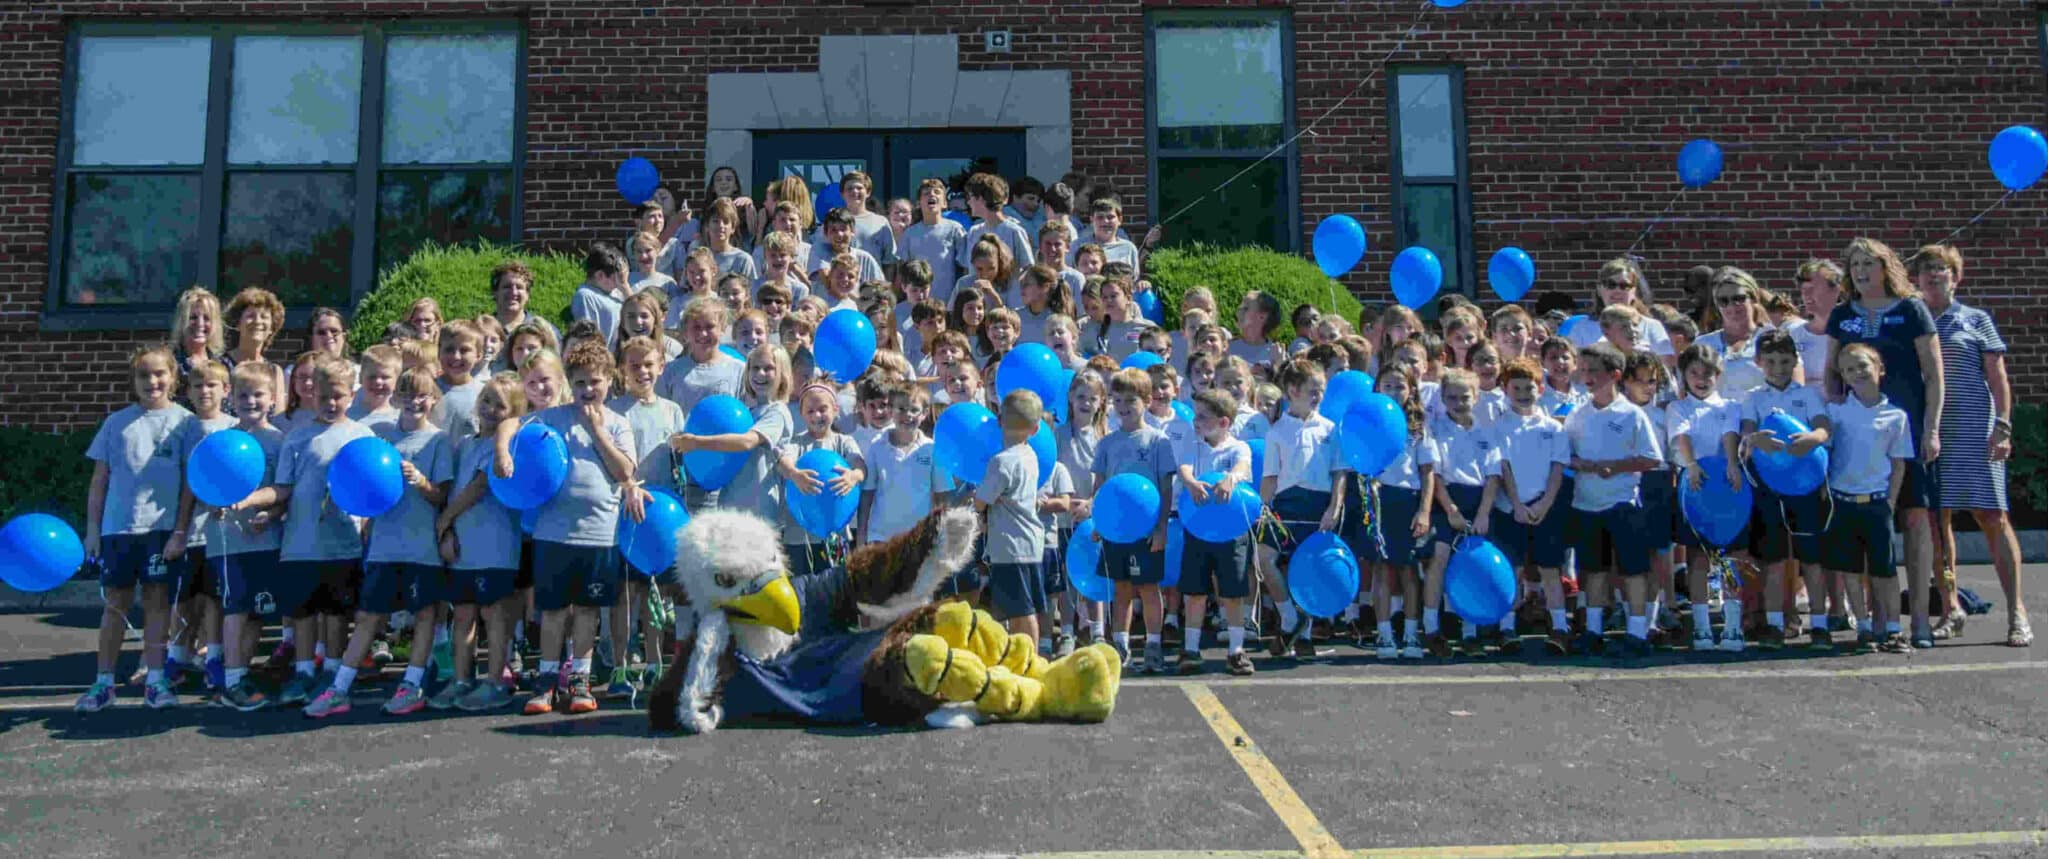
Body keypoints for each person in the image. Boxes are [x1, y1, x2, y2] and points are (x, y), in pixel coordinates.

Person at [305, 368, 454, 718]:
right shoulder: (380, 436)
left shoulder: (438, 442)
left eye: (422, 395)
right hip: (385, 547)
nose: (415, 401)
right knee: (369, 616)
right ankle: (339, 688)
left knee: (424, 616)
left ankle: (413, 684)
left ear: (433, 400)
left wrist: (420, 481)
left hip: (422, 549)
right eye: (407, 394)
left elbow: (442, 495)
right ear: (397, 399)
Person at [1821, 237, 1944, 649]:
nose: (1861, 270)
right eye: (1854, 264)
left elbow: (1933, 375)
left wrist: (1930, 429)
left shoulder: (1911, 309)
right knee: (1866, 534)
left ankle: (1921, 620)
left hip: (1904, 430)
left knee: (1914, 520)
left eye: (1869, 263)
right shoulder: (1842, 314)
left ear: (1886, 266)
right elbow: (1831, 378)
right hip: (1859, 439)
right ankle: (1877, 623)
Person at [243, 356, 375, 706]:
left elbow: (375, 490)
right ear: (311, 393)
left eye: (339, 396)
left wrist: (368, 531)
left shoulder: (363, 436)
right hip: (300, 545)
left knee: (335, 613)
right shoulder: (297, 438)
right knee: (302, 612)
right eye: (324, 395)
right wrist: (255, 505)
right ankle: (303, 672)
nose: (331, 403)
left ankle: (331, 670)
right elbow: (283, 489)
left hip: (343, 545)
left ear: (352, 394)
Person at [1913, 245, 2027, 646]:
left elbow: (1998, 378)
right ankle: (1950, 608)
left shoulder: (1976, 319)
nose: (1933, 276)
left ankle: (2017, 614)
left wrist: (2003, 425)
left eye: (1941, 270)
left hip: (1975, 431)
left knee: (1992, 516)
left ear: (1955, 277)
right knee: (1935, 524)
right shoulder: (1914, 319)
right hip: (1932, 433)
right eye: (1925, 270)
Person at [519, 342, 641, 717]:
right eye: (581, 382)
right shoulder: (548, 420)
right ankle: (546, 681)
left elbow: (625, 473)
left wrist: (596, 430)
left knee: (588, 611)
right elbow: (521, 446)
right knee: (554, 612)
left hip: (599, 533)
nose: (589, 389)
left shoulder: (619, 423)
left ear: (610, 381)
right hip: (553, 532)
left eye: (596, 382)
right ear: (569, 383)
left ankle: (580, 681)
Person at [74, 346, 194, 712]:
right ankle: (103, 683)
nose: (152, 381)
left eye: (160, 374)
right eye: (144, 375)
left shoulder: (186, 423)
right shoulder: (116, 423)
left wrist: (179, 530)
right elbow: (99, 482)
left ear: (173, 377)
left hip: (160, 532)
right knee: (115, 607)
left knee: (158, 607)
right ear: (134, 381)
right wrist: (93, 530)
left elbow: (191, 484)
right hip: (118, 530)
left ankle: (156, 680)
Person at [1562, 343, 1664, 658]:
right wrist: (1581, 465)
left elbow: (1651, 458)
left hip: (1622, 504)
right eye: (1584, 370)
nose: (1587, 376)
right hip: (1586, 504)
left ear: (1615, 375)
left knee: (1633, 570)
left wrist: (1615, 467)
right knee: (1594, 571)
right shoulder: (1577, 415)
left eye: (1594, 371)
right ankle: (1593, 630)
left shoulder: (1631, 414)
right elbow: (1566, 457)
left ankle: (1637, 632)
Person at [434, 373, 528, 711]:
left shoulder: (507, 446)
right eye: (486, 401)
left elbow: (478, 486)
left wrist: (444, 521)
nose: (490, 409)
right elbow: (454, 489)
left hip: (497, 546)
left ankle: (495, 681)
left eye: (499, 405)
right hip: (464, 548)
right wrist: (447, 532)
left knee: (494, 614)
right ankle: (462, 679)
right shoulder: (465, 444)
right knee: (462, 615)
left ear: (512, 411)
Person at [605, 336, 689, 697]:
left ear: (660, 367)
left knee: (658, 592)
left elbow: (679, 463)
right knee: (625, 597)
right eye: (634, 365)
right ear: (623, 370)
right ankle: (620, 668)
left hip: (663, 516)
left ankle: (655, 665)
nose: (642, 371)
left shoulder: (672, 411)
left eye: (648, 365)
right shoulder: (615, 410)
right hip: (624, 513)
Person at [1741, 328, 1832, 650]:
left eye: (1784, 360)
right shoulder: (1753, 398)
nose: (1778, 367)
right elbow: (1748, 435)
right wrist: (1754, 440)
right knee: (1775, 558)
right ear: (1759, 362)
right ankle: (1775, 624)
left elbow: (1823, 427)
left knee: (1812, 559)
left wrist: (1814, 438)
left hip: (1808, 485)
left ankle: (1819, 625)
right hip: (1770, 487)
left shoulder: (1807, 394)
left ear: (1795, 360)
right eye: (1771, 361)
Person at [1821, 344, 1914, 653]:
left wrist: (1890, 501)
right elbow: (1827, 454)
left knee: (1884, 571)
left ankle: (1892, 628)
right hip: (1843, 501)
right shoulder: (1835, 413)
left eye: (1862, 366)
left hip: (1876, 503)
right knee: (1849, 570)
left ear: (1880, 369)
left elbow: (1898, 463)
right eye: (1848, 369)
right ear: (1843, 377)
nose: (1857, 373)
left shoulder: (1896, 416)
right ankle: (1862, 627)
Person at [1091, 367, 1178, 674]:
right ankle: (1120, 644)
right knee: (1121, 588)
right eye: (1117, 400)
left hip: (1147, 530)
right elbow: (1100, 488)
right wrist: (1098, 523)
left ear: (1146, 400)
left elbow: (1166, 489)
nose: (1124, 407)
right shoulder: (1106, 443)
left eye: (1131, 400)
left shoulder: (1158, 442)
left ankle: (1153, 644)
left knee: (1148, 587)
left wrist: (1161, 528)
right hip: (1115, 530)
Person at [1259, 358, 1343, 660]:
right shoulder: (1277, 431)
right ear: (1293, 390)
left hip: (1317, 504)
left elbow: (1339, 473)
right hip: (1284, 505)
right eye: (1313, 389)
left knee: (1304, 568)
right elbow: (1270, 476)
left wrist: (1334, 507)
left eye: (1321, 389)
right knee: (1264, 558)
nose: (1319, 395)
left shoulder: (1330, 429)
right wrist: (1263, 508)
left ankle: (1303, 635)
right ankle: (1289, 617)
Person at [1667, 343, 1747, 652]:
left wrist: (1731, 463)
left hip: (1727, 489)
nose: (1702, 379)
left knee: (1729, 560)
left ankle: (1733, 626)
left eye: (1708, 374)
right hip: (1695, 488)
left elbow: (1729, 435)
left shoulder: (1729, 406)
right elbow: (1682, 436)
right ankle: (1701, 627)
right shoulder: (1678, 407)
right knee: (1698, 559)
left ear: (1719, 375)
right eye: (1694, 373)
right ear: (1684, 376)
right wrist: (1691, 465)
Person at [1490, 358, 1572, 655]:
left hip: (1545, 509)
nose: (1524, 393)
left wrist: (1546, 503)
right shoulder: (1499, 426)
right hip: (1510, 510)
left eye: (1530, 387)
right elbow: (1504, 467)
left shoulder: (1552, 427)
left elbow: (1557, 468)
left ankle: (1560, 627)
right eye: (1517, 388)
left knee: (1550, 569)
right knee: (1512, 570)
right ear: (1506, 389)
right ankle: (1507, 627)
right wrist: (1517, 505)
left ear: (1540, 388)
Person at [1420, 369, 1502, 657]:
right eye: (1451, 397)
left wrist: (1483, 514)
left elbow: (1493, 477)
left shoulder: (1486, 432)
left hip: (1478, 502)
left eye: (1464, 396)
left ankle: (1470, 631)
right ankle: (1431, 628)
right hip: (1447, 502)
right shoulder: (1436, 429)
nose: (1458, 402)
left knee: (1472, 566)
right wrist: (1451, 510)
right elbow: (1436, 476)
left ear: (1476, 397)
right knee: (1439, 560)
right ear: (1442, 398)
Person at [1174, 389, 1257, 676]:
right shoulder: (1192, 442)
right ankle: (1191, 649)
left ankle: (1236, 650)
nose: (1196, 421)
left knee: (1232, 592)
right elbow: (1183, 467)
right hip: (1197, 528)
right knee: (1194, 592)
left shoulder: (1238, 447)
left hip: (1231, 531)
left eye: (1202, 417)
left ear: (1223, 422)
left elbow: (1242, 466)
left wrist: (1230, 479)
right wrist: (1191, 482)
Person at [165, 359, 235, 690]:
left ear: (226, 390)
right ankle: (176, 657)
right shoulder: (184, 429)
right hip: (192, 531)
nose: (204, 391)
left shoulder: (235, 429)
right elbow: (186, 485)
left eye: (212, 385)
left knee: (214, 598)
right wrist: (179, 531)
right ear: (187, 391)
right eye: (197, 385)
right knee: (184, 598)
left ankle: (214, 658)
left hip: (224, 531)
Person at [1359, 365, 1432, 659]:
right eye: (1387, 386)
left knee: (1408, 570)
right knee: (1381, 569)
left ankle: (1412, 634)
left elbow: (1428, 473)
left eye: (1400, 386)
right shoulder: (1368, 423)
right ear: (1377, 389)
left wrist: (1424, 511)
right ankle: (1385, 634)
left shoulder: (1418, 428)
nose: (1393, 392)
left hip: (1408, 500)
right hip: (1377, 499)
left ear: (1411, 390)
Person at [977, 390, 1052, 642]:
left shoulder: (1001, 462)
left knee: (1020, 610)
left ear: (1000, 421)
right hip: (1029, 542)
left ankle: (1029, 655)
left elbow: (981, 501)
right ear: (1036, 428)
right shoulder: (1030, 455)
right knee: (1021, 607)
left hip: (1010, 546)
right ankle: (1026, 652)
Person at [777, 384, 866, 578]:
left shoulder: (844, 441)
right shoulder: (796, 444)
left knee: (837, 584)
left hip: (837, 536)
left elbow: (860, 466)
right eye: (810, 411)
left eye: (822, 409)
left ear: (835, 410)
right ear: (801, 414)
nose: (817, 415)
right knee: (802, 587)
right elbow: (783, 462)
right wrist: (794, 473)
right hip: (799, 536)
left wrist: (853, 476)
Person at [858, 384, 945, 545]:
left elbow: (941, 496)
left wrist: (938, 533)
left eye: (914, 410)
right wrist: (861, 535)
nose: (908, 415)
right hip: (881, 537)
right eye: (901, 409)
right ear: (890, 411)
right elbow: (867, 494)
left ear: (925, 413)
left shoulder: (932, 449)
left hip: (918, 537)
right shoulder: (877, 446)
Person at [1570, 257, 1676, 367]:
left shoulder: (1652, 327)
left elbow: (1665, 370)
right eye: (1610, 285)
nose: (1617, 291)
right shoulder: (1581, 329)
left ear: (1634, 290)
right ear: (1599, 289)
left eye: (1624, 286)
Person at [1693, 267, 1775, 400]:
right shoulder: (1702, 345)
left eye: (1739, 298)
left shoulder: (1774, 339)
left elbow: (1793, 389)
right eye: (1723, 301)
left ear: (1753, 299)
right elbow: (1687, 395)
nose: (1731, 306)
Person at [224, 287, 290, 417]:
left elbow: (278, 419)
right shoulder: (221, 367)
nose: (258, 321)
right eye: (250, 316)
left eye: (264, 317)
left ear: (272, 327)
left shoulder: (275, 372)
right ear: (238, 324)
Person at [954, 172, 1036, 275]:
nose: (968, 202)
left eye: (970, 197)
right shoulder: (973, 232)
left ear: (982, 199)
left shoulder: (1015, 231)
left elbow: (1028, 267)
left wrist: (1013, 289)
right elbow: (969, 270)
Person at [901, 178, 968, 303]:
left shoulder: (955, 229)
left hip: (947, 302)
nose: (932, 195)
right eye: (926, 193)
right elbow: (902, 270)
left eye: (937, 192)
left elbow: (965, 268)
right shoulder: (910, 233)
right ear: (919, 203)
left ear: (944, 203)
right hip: (918, 302)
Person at [431, 320, 487, 442]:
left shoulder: (484, 393)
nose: (456, 356)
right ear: (439, 352)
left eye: (464, 350)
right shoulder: (427, 388)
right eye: (449, 349)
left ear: (478, 355)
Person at [1788, 259, 1842, 382]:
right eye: (1803, 289)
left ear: (1836, 290)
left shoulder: (1852, 334)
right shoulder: (1793, 335)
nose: (1806, 294)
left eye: (1813, 288)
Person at [570, 243, 631, 348]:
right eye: (617, 278)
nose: (619, 283)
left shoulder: (618, 291)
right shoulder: (586, 296)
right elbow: (588, 337)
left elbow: (640, 308)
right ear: (600, 275)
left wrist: (625, 287)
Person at [1231, 291, 1287, 371]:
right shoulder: (1226, 348)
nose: (1238, 311)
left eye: (1245, 308)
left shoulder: (1277, 354)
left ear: (1262, 317)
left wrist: (1279, 365)